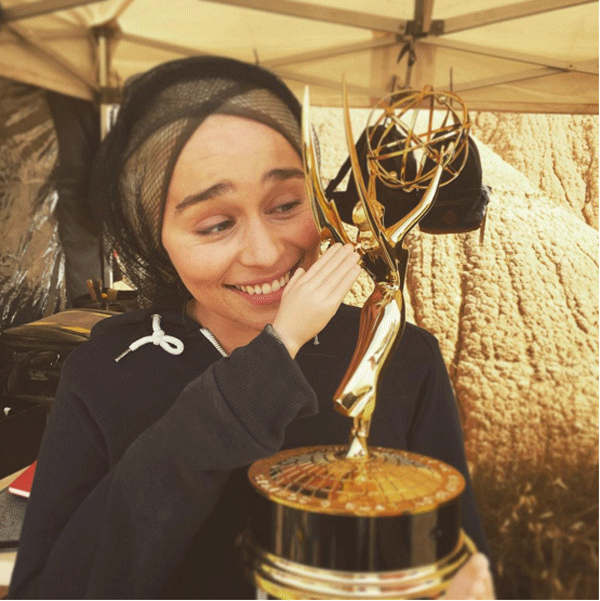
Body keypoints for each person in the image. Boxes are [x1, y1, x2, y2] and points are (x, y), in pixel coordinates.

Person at [8, 56, 494, 599]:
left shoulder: (401, 358)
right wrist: (272, 357)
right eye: (216, 224)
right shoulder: (105, 374)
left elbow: (454, 555)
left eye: (286, 205)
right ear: (153, 239)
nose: (264, 254)